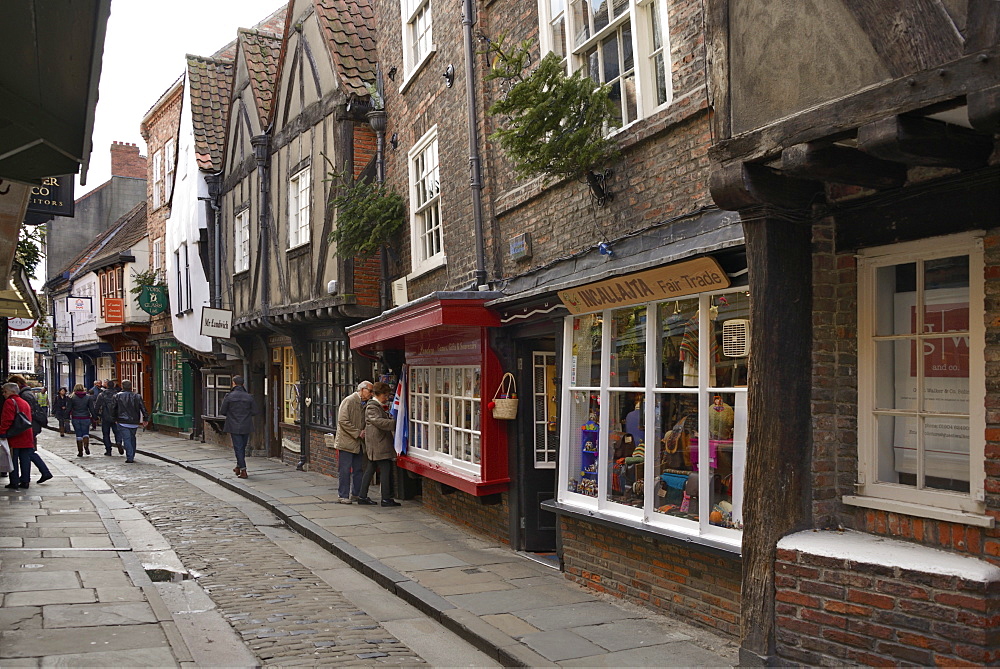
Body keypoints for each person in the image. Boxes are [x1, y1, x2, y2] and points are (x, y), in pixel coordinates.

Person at [357, 381, 400, 507]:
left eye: (387, 395)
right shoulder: (372, 407)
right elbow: (379, 422)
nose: (386, 398)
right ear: (377, 394)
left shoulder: (377, 406)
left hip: (377, 444)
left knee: (370, 470)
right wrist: (396, 423)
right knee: (385, 469)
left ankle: (362, 496)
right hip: (378, 444)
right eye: (384, 395)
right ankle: (386, 498)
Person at [333, 380, 373, 503]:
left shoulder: (366, 404)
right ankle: (343, 495)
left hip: (359, 443)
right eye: (370, 391)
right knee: (345, 469)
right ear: (362, 390)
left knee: (358, 469)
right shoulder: (349, 401)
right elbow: (343, 421)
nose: (371, 394)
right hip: (347, 442)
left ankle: (357, 493)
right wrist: (358, 433)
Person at [9, 375, 53, 483]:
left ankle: (44, 472)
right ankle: (37, 474)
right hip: (31, 425)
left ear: (18, 384)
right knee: (28, 451)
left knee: (28, 451)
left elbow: (25, 414)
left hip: (29, 426)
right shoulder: (27, 393)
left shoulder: (25, 395)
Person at [219, 375, 259, 479]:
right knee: (242, 447)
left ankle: (243, 470)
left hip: (233, 425)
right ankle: (238, 466)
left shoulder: (229, 396)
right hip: (246, 425)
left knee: (238, 448)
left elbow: (222, 411)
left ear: (233, 383)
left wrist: (232, 414)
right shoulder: (249, 397)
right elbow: (255, 411)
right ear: (243, 384)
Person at [2, 382, 36, 489]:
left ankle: (14, 481)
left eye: (5, 391)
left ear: (12, 392)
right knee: (25, 459)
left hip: (15, 435)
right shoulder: (24, 402)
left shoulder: (9, 402)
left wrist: (2, 432)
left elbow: (7, 419)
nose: (3, 394)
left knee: (13, 459)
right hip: (26, 434)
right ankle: (25, 480)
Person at [111, 379, 149, 463]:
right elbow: (143, 408)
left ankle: (130, 457)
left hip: (122, 421)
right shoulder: (137, 396)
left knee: (127, 439)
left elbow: (113, 409)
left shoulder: (117, 396)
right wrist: (145, 418)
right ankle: (132, 454)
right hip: (134, 421)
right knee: (132, 438)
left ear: (122, 386)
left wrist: (114, 419)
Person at [94, 380, 124, 456]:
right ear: (113, 386)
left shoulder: (102, 394)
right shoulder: (118, 394)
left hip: (105, 416)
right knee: (117, 432)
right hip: (116, 417)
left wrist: (96, 415)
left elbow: (97, 406)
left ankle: (108, 450)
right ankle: (119, 442)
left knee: (106, 434)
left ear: (107, 386)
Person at [67, 383, 96, 456]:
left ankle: (80, 451)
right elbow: (91, 408)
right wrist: (95, 417)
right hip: (86, 417)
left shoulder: (72, 397)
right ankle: (86, 445)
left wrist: (65, 416)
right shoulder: (88, 397)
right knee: (85, 433)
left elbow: (69, 408)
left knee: (78, 434)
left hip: (76, 417)